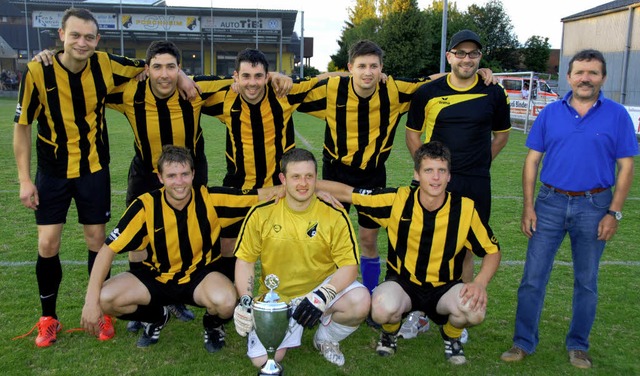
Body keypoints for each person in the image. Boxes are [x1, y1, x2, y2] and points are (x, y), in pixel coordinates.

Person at [299, 40, 497, 299]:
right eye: (361, 66)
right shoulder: (333, 90)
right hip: (335, 172)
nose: (368, 72)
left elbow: (427, 80)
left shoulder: (393, 90)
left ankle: (369, 293)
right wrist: (274, 77)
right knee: (326, 238)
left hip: (373, 173)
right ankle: (324, 295)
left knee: (369, 240)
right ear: (350, 68)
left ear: (382, 69)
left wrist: (473, 71)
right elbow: (294, 89)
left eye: (373, 66)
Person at [12, 8, 149, 348]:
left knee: (95, 239)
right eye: (75, 35)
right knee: (48, 243)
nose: (82, 42)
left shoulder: (106, 64)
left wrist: (184, 77)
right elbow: (22, 127)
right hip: (53, 172)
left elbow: (149, 67)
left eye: (89, 36)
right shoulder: (37, 71)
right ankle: (48, 318)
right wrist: (24, 180)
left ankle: (99, 308)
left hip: (93, 169)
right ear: (61, 35)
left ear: (97, 40)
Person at [500, 49, 637, 369]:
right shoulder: (550, 113)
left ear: (603, 77)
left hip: (595, 205)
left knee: (586, 280)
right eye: (579, 72)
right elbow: (532, 161)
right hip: (549, 203)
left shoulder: (617, 115)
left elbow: (626, 168)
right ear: (569, 77)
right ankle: (523, 342)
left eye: (592, 73)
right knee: (533, 277)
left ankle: (578, 345)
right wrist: (528, 207)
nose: (585, 78)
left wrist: (613, 212)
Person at [316, 141, 501, 365]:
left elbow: (492, 251)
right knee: (381, 308)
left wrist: (480, 282)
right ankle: (390, 332)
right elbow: (348, 192)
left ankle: (451, 336)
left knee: (475, 312)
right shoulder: (397, 201)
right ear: (417, 174)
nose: (435, 178)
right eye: (429, 171)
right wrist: (303, 184)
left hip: (445, 288)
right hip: (403, 284)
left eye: (441, 171)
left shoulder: (465, 209)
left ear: (449, 176)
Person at [80, 145, 281, 351]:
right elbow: (107, 250)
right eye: (172, 175)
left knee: (227, 301)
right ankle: (157, 317)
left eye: (185, 174)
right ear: (160, 178)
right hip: (156, 277)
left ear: (193, 174)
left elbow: (262, 195)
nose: (179, 182)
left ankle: (212, 326)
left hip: (199, 276)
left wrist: (309, 186)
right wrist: (90, 301)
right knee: (104, 299)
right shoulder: (145, 206)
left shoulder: (210, 199)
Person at [404, 30, 510, 339]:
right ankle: (420, 313)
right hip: (436, 182)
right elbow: (413, 134)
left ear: (479, 57)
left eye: (472, 54)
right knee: (425, 245)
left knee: (467, 248)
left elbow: (501, 135)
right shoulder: (428, 92)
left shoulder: (493, 92)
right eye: (460, 53)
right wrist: (425, 169)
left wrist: (479, 163)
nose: (466, 59)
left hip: (476, 181)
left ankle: (457, 312)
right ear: (449, 56)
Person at [233, 148, 370, 368]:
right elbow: (245, 261)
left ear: (317, 178)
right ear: (283, 179)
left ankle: (326, 337)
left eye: (309, 176)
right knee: (264, 360)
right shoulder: (261, 213)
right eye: (295, 177)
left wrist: (323, 295)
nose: (303, 183)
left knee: (361, 301)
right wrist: (246, 301)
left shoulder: (334, 213)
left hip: (322, 290)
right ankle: (277, 329)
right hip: (278, 299)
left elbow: (349, 265)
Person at [202, 48, 324, 278]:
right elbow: (187, 84)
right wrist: (179, 78)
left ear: (267, 77)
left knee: (285, 244)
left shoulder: (283, 92)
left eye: (258, 76)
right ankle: (228, 295)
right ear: (235, 77)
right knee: (227, 244)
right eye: (246, 76)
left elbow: (323, 79)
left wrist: (378, 76)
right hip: (239, 185)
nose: (252, 83)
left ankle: (288, 291)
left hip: (279, 187)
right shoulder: (225, 97)